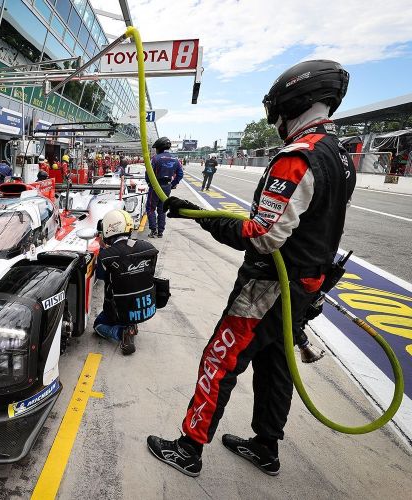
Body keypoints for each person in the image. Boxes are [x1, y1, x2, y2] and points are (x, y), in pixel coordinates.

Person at [147, 60, 354, 477]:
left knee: (218, 360)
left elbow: (263, 235)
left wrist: (198, 215)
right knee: (276, 365)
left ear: (291, 102)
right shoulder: (340, 155)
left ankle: (189, 448)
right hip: (306, 285)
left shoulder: (298, 156)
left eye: (277, 110)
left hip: (269, 286)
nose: (275, 120)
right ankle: (265, 447)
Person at [94, 209, 159, 355]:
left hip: (118, 310)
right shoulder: (149, 248)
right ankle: (130, 324)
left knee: (98, 325)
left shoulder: (106, 255)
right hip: (145, 306)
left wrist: (103, 250)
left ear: (109, 229)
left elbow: (100, 275)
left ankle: (120, 332)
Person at [146, 137, 184, 238]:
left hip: (155, 186)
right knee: (162, 209)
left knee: (150, 208)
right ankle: (160, 232)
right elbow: (180, 174)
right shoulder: (175, 159)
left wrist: (149, 183)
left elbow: (148, 173)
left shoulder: (155, 158)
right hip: (167, 187)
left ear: (159, 148)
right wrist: (172, 184)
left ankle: (153, 230)